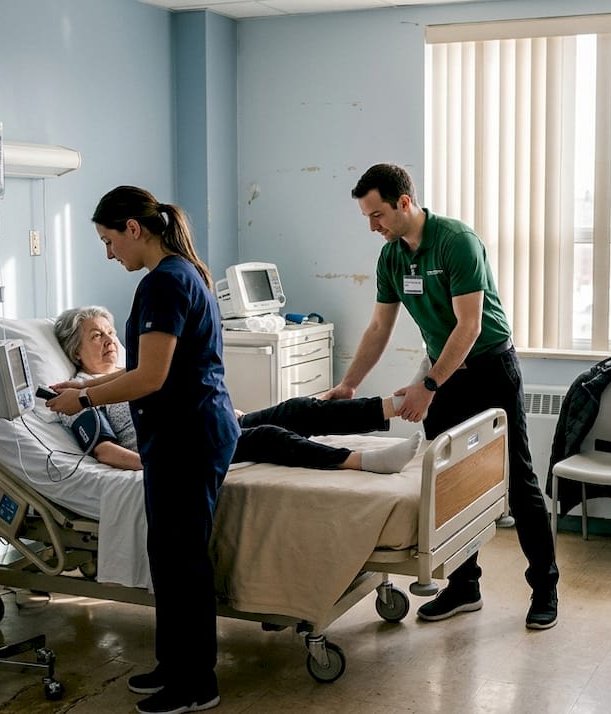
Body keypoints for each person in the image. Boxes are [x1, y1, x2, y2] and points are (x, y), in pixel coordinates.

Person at [321, 163, 559, 630]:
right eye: (367, 218)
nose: (372, 226)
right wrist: (349, 383)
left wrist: (427, 387)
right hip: (442, 371)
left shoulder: (456, 242)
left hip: (490, 367)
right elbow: (378, 328)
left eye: (377, 215)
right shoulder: (391, 257)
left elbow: (469, 327)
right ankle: (464, 586)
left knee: (517, 480)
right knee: (450, 484)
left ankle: (545, 589)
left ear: (404, 203)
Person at [46, 187, 237, 714]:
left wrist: (84, 396)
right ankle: (174, 665)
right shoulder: (182, 272)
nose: (109, 253)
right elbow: (143, 371)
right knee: (169, 558)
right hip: (184, 435)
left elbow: (150, 378)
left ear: (134, 228)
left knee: (183, 563)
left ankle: (196, 684)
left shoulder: (164, 283)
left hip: (188, 438)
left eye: (109, 241)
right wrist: (78, 389)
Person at [51, 305, 423, 474]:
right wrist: (150, 465)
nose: (109, 340)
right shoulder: (78, 394)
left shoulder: (134, 370)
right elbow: (104, 450)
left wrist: (223, 410)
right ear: (75, 350)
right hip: (181, 451)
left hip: (208, 424)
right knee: (267, 437)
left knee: (297, 409)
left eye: (111, 332)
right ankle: (360, 461)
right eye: (96, 336)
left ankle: (391, 405)